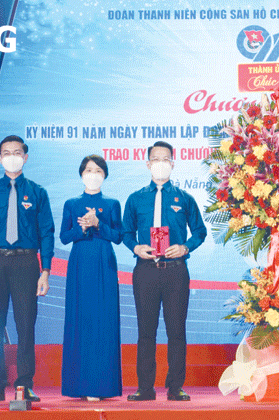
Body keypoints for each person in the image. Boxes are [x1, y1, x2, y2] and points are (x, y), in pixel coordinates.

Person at [0, 135, 55, 402]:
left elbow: (47, 233)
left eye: (17, 152)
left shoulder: (38, 192)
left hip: (26, 263)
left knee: (25, 324)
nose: (12, 156)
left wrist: (46, 270)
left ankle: (25, 384)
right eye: (6, 152)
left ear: (25, 157)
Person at [122, 140, 207, 402]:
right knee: (146, 331)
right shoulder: (136, 198)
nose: (161, 164)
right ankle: (145, 388)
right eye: (155, 160)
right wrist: (135, 247)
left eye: (165, 159)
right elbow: (126, 232)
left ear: (173, 163)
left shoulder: (184, 198)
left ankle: (175, 387)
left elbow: (200, 232)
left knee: (176, 331)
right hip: (145, 271)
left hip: (176, 272)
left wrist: (185, 247)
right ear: (148, 164)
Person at [60, 155, 123, 400]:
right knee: (81, 318)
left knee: (103, 320)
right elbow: (65, 237)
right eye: (88, 170)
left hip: (104, 262)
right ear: (81, 174)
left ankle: (102, 385)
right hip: (80, 262)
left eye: (98, 170)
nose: (93, 173)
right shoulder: (71, 203)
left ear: (104, 174)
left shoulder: (112, 203)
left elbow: (118, 236)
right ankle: (79, 385)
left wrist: (98, 224)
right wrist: (82, 228)